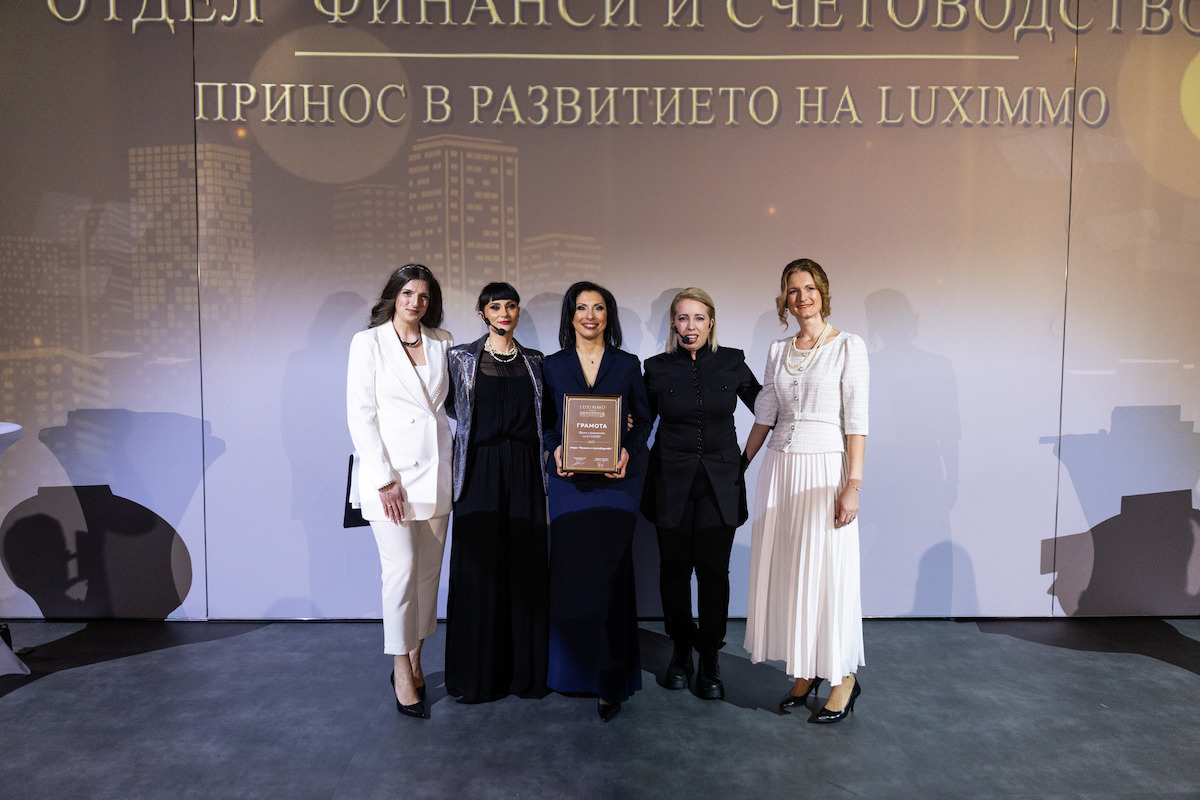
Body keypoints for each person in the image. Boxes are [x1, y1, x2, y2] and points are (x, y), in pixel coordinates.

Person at [742, 258, 869, 724]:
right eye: (793, 290)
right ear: (785, 299)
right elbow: (765, 413)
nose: (802, 297)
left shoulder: (849, 346)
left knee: (826, 572)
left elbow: (856, 421)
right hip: (779, 468)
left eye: (810, 288)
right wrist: (740, 464)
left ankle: (842, 677)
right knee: (791, 572)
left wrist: (853, 485)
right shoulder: (778, 350)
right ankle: (805, 670)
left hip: (824, 469)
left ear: (823, 293)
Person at [642, 288, 761, 699]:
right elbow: (639, 423)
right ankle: (681, 650)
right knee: (674, 571)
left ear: (711, 322)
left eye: (698, 318)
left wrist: (744, 459)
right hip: (669, 483)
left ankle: (709, 655)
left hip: (719, 485)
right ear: (673, 324)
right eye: (682, 318)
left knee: (713, 573)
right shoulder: (656, 368)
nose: (690, 326)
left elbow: (768, 410)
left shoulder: (732, 361)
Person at [346, 264, 453, 720]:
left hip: (435, 474)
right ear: (394, 295)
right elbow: (361, 415)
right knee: (402, 571)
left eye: (423, 296)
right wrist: (384, 478)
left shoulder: (442, 341)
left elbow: (457, 405)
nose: (415, 302)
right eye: (408, 293)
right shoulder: (368, 343)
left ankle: (415, 657)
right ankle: (399, 668)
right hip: (389, 479)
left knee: (427, 575)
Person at [542, 281, 653, 722]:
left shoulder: (627, 364)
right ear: (570, 316)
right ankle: (570, 674)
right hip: (568, 485)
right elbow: (546, 423)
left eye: (599, 308)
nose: (590, 316)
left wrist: (627, 450)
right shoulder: (552, 365)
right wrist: (555, 449)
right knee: (572, 576)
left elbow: (644, 418)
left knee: (610, 577)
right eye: (582, 308)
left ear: (609, 316)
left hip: (616, 483)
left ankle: (610, 679)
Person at [444, 282, 550, 704]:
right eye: (494, 307)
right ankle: (479, 677)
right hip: (479, 470)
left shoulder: (536, 362)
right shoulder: (461, 359)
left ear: (518, 312)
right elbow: (450, 408)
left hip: (525, 471)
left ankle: (524, 674)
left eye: (510, 306)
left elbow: (553, 414)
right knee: (479, 568)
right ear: (482, 313)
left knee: (524, 567)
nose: (503, 312)